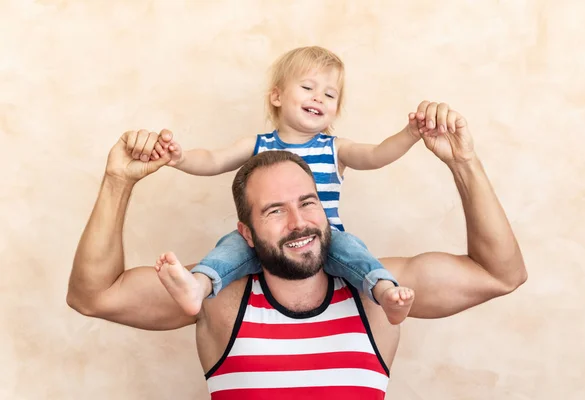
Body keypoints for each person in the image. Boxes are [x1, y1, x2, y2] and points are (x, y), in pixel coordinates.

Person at [67, 101, 527, 399]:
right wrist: (117, 181)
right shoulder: (220, 298)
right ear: (245, 234)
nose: (299, 222)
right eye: (274, 211)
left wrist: (464, 163)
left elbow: (500, 274)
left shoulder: (377, 293)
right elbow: (94, 295)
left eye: (308, 202)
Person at [135, 46, 424, 325]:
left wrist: (410, 134)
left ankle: (386, 293)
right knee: (230, 247)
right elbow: (213, 160)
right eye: (308, 88)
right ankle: (197, 287)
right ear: (276, 96)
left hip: (326, 240)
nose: (319, 98)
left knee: (354, 251)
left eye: (329, 94)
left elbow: (377, 155)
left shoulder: (335, 149)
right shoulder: (257, 145)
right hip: (267, 242)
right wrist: (181, 157)